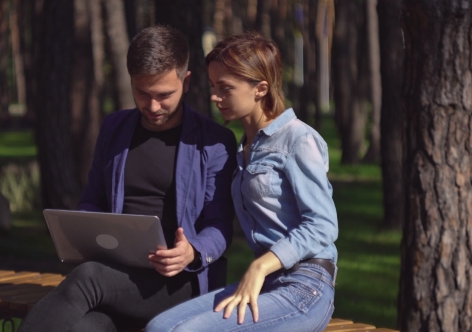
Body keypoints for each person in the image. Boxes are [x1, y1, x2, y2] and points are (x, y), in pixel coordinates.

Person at [17, 26, 237, 332]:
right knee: (86, 328)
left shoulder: (213, 142)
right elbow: (92, 200)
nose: (152, 106)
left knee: (88, 277)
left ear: (185, 83)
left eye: (164, 95)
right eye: (142, 93)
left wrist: (192, 251)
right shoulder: (115, 128)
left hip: (180, 283)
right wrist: (84, 229)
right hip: (118, 277)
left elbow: (221, 224)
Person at [146, 33, 338, 332]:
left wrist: (261, 265)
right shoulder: (243, 147)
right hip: (266, 285)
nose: (214, 96)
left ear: (260, 88)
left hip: (305, 286)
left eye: (225, 88)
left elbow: (323, 225)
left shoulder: (297, 139)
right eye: (213, 86)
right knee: (159, 326)